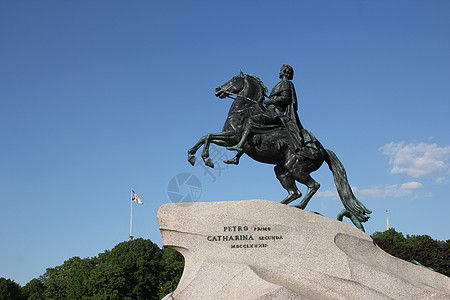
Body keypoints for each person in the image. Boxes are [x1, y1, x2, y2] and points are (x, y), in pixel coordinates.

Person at [226, 64, 315, 163]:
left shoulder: (286, 83)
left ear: (285, 72)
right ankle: (237, 157)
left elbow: (286, 98)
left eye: (281, 70)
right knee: (251, 128)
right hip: (270, 111)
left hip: (276, 113)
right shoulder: (280, 84)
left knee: (251, 120)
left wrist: (270, 101)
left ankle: (240, 145)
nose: (279, 72)